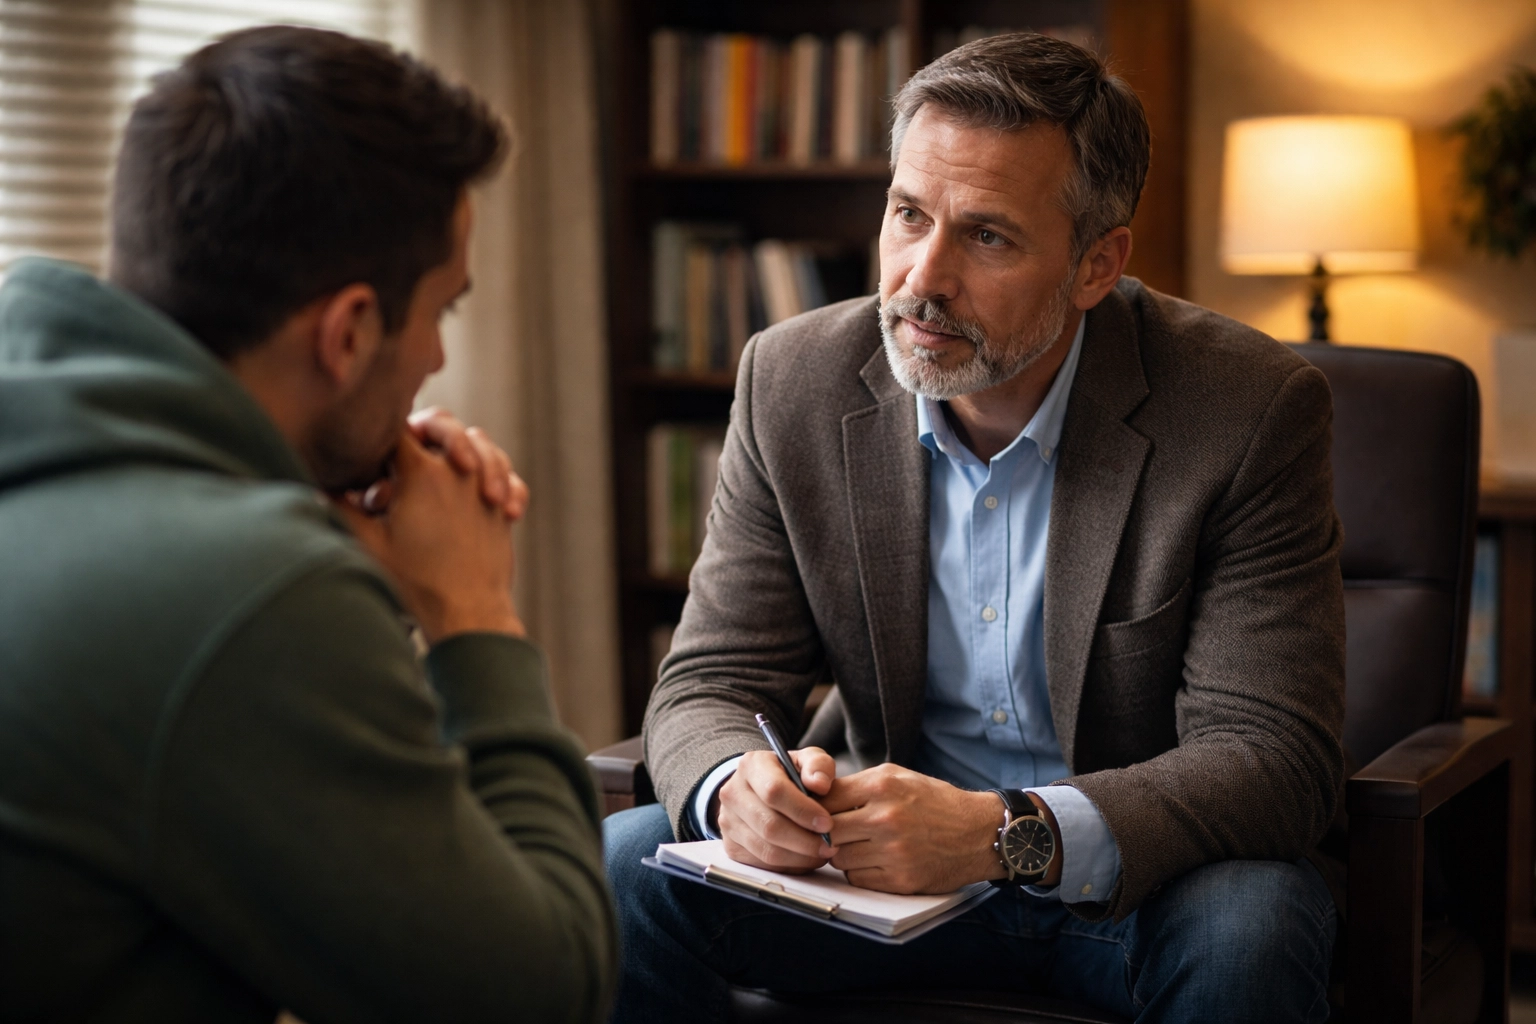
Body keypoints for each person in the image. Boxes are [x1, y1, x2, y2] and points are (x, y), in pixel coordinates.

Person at [605, 31, 1344, 1024]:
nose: (921, 277)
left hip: (1142, 886)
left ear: (1096, 264)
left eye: (987, 235)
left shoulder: (1245, 410)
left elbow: (1270, 757)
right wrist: (736, 784)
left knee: (1253, 927)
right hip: (875, 873)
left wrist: (1009, 833)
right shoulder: (791, 381)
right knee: (616, 870)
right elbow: (709, 680)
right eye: (908, 215)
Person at [0, 25, 613, 1023]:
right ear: (349, 330)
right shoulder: (246, 589)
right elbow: (544, 990)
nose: (436, 367)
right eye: (441, 314)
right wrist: (473, 618)